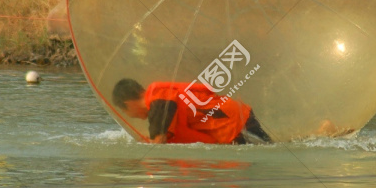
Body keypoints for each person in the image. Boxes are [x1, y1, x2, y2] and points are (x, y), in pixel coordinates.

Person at [112, 78, 273, 145]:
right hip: (235, 113)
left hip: (233, 124)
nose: (129, 116)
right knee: (269, 146)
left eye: (124, 111)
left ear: (128, 104)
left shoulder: (158, 101)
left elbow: (158, 146)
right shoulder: (160, 95)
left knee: (267, 154)